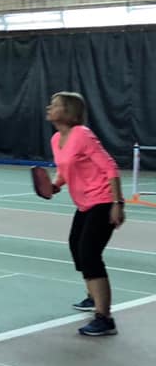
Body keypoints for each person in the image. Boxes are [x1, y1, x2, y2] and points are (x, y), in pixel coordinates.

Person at [46, 91, 125, 336]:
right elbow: (65, 170)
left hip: (103, 200)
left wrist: (117, 203)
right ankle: (93, 296)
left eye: (55, 105)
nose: (49, 107)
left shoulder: (83, 135)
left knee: (90, 254)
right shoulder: (57, 138)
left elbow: (110, 166)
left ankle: (105, 319)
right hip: (84, 204)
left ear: (68, 111)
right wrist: (55, 185)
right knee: (76, 248)